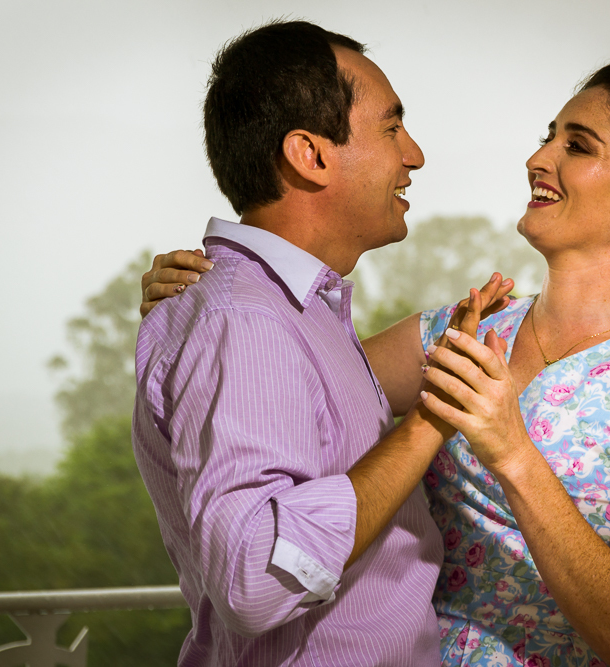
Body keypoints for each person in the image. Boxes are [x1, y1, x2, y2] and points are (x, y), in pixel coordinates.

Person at [142, 60, 610, 666]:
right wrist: (198, 312)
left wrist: (510, 449)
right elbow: (285, 390)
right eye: (548, 136)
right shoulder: (458, 332)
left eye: (577, 145)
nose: (539, 158)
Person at [132, 20, 514, 667]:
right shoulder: (245, 323)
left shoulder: (290, 311)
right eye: (392, 128)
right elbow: (253, 579)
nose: (413, 154)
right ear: (310, 155)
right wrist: (429, 421)